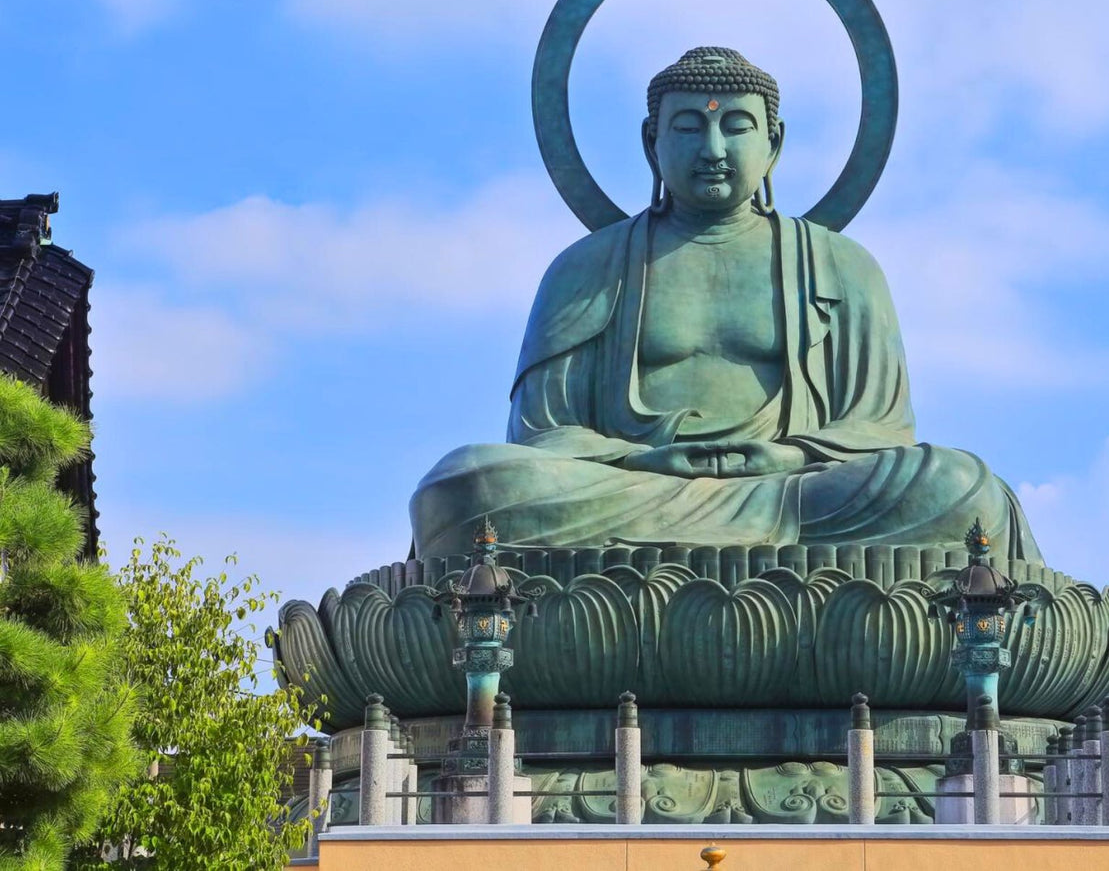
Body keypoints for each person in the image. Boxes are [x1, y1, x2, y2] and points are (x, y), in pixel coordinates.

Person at [411, 48, 1041, 563]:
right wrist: (638, 457)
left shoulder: (844, 266)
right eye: (688, 127)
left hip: (794, 494)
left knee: (959, 486)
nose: (712, 147)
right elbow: (541, 434)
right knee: (468, 483)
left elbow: (881, 430)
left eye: (736, 125)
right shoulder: (585, 268)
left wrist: (791, 457)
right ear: (651, 142)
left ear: (775, 143)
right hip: (633, 489)